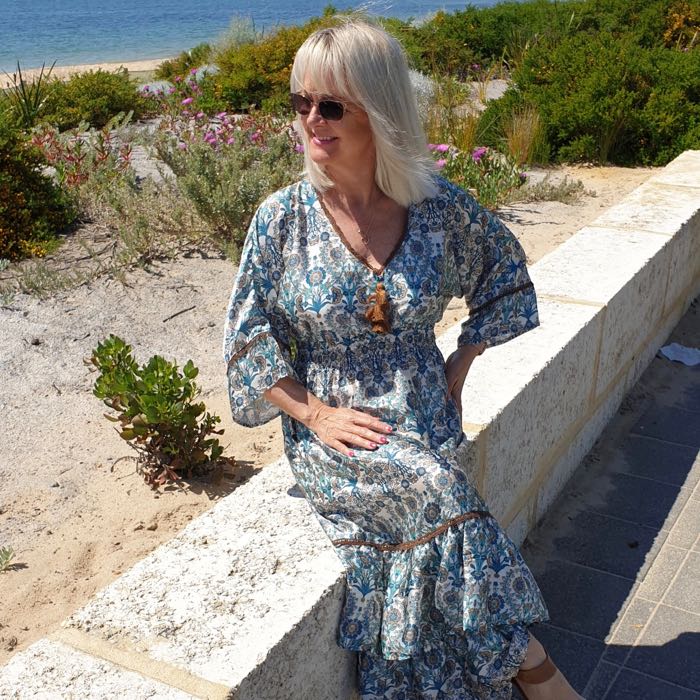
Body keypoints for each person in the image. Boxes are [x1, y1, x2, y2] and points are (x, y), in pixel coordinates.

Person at [223, 18, 583, 700]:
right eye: (300, 104)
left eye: (330, 106)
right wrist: (315, 413)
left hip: (425, 408)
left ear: (379, 111)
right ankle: (535, 669)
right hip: (341, 427)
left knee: (422, 538)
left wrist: (464, 359)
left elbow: (504, 274)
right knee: (440, 495)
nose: (310, 121)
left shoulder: (440, 210)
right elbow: (246, 339)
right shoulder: (282, 219)